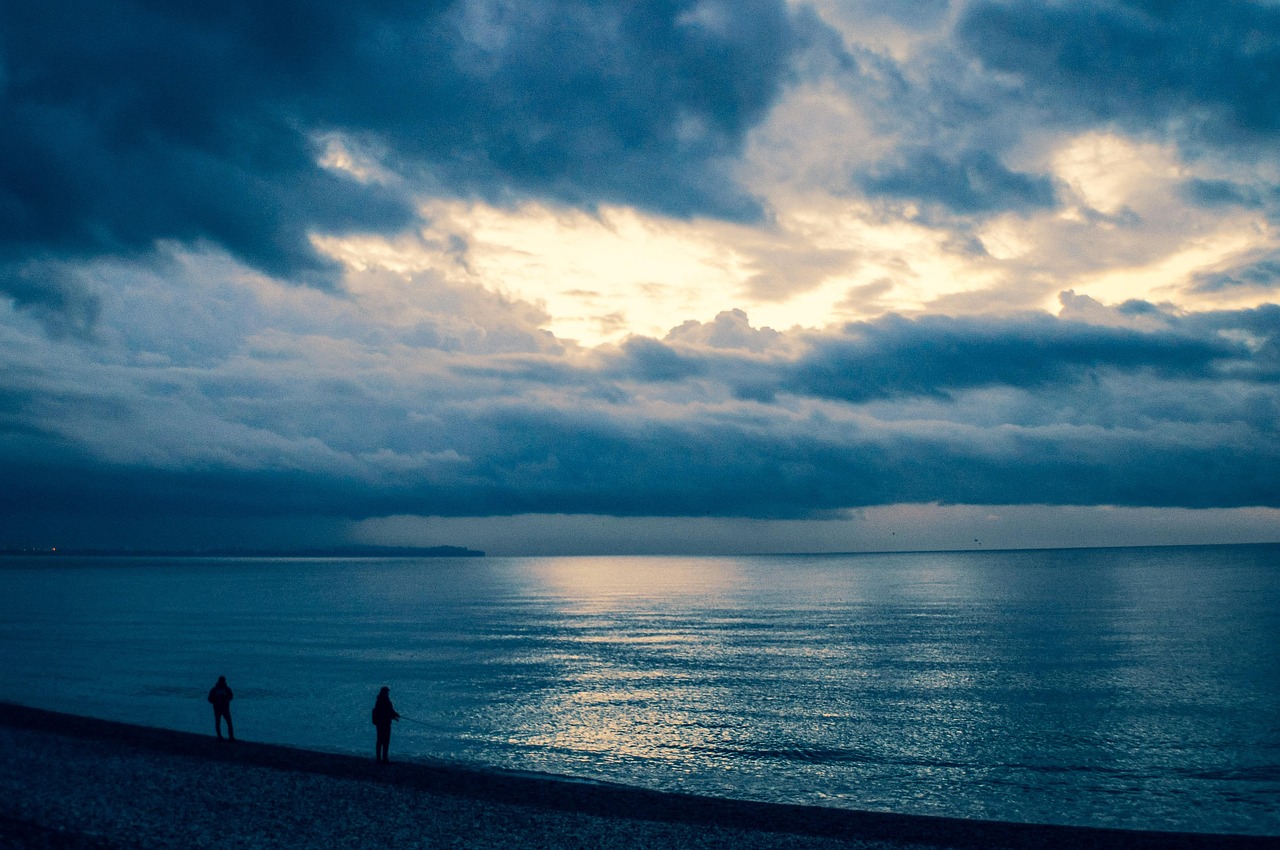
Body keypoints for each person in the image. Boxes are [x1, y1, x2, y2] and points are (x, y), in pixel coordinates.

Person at [371, 686, 400, 763]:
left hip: (379, 723)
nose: (388, 693)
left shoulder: (378, 701)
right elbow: (389, 712)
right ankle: (385, 759)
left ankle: (378, 758)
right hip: (385, 723)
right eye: (387, 692)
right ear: (386, 692)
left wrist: (394, 715)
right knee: (386, 741)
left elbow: (386, 712)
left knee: (379, 741)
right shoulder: (387, 701)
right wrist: (395, 715)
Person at [207, 676, 235, 741]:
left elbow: (231, 697)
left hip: (225, 708)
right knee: (219, 722)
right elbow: (209, 698)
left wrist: (226, 700)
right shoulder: (214, 689)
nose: (222, 682)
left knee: (228, 722)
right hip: (217, 708)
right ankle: (220, 736)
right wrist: (215, 702)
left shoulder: (227, 689)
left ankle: (231, 737)